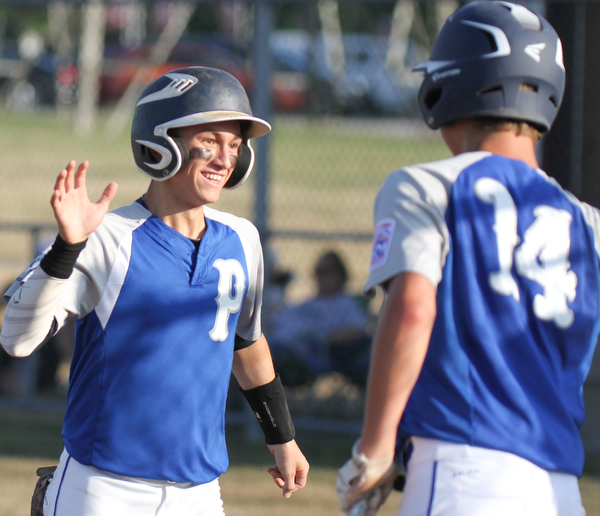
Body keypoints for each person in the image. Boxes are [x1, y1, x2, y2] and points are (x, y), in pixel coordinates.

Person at [0, 66, 308, 516]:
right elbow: (16, 339)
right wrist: (68, 247)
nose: (225, 159)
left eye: (235, 146)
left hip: (200, 491)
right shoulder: (109, 235)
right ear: (161, 143)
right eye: (209, 142)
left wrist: (282, 437)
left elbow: (246, 340)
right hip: (102, 488)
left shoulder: (243, 240)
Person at [337, 3, 595, 515]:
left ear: (449, 84)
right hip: (560, 488)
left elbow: (412, 308)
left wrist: (376, 447)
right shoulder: (585, 220)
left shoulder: (426, 185)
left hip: (463, 472)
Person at [269, 250, 372, 387]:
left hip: (317, 357)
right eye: (318, 271)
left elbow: (359, 330)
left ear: (340, 275)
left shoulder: (347, 303)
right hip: (281, 347)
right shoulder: (305, 304)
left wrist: (323, 338)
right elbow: (277, 324)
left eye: (327, 271)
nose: (321, 276)